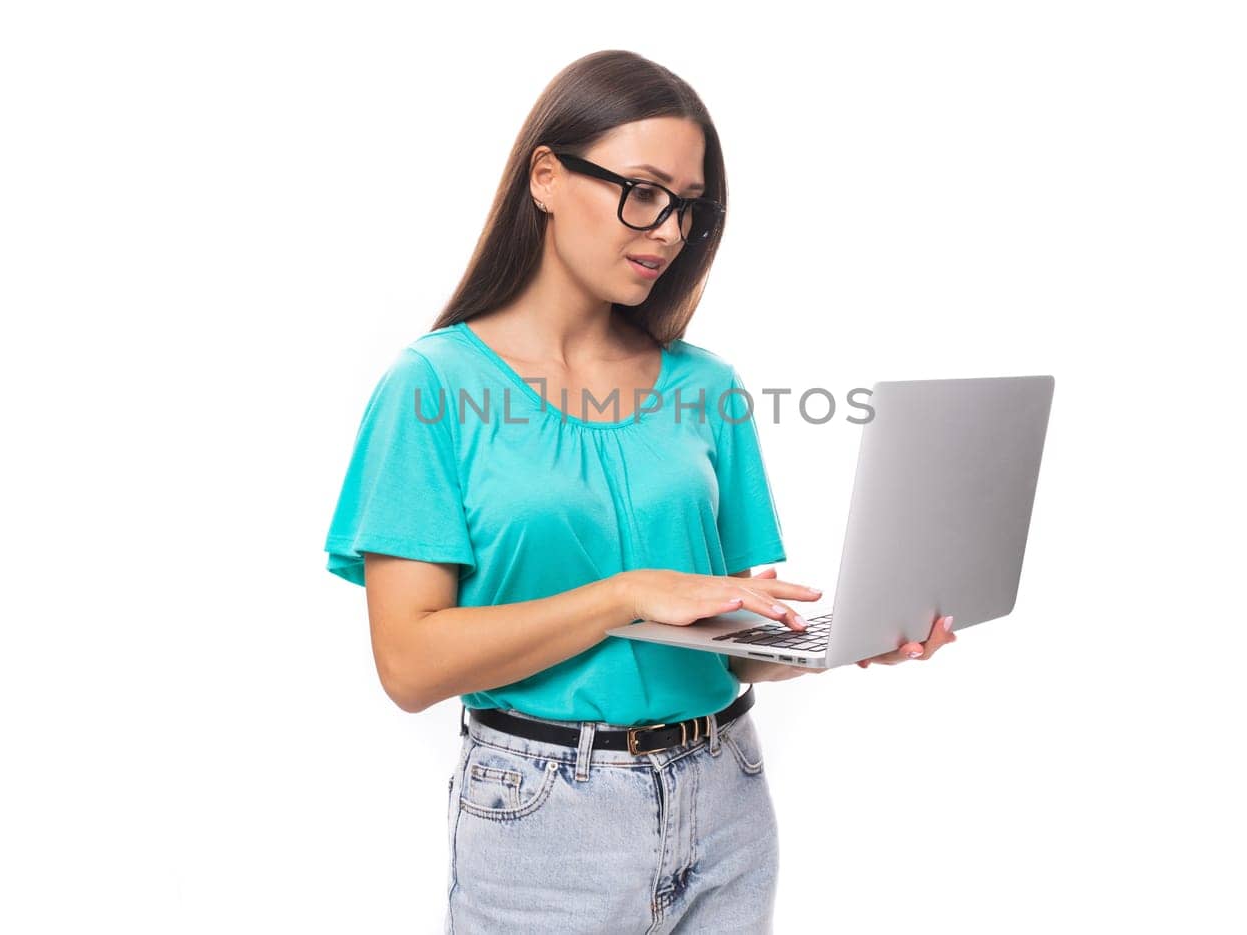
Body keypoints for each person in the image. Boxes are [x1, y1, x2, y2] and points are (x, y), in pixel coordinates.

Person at [323, 49, 956, 934]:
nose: (666, 231)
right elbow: (409, 665)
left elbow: (728, 648)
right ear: (546, 176)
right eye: (644, 191)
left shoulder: (709, 388)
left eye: (688, 207)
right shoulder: (430, 388)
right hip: (544, 821)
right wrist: (621, 594)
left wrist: (847, 639)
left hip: (726, 797)